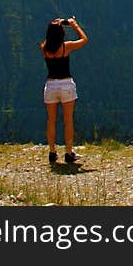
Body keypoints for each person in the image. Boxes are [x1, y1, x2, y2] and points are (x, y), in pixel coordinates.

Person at [40, 16, 88, 164]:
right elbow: (84, 40)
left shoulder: (44, 47)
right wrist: (74, 24)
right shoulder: (66, 47)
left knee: (51, 120)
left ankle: (52, 151)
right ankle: (68, 152)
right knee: (68, 120)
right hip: (66, 84)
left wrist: (55, 24)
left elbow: (49, 39)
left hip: (50, 85)